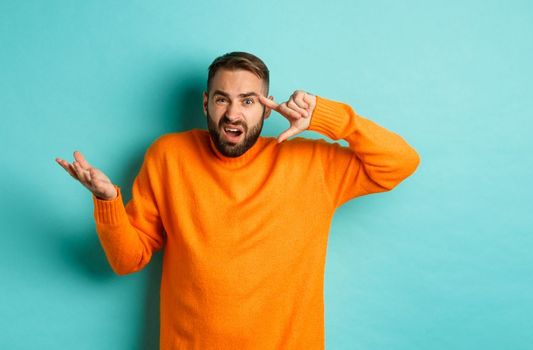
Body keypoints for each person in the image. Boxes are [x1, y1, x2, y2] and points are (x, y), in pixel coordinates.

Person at [55, 51, 420, 349]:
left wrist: (328, 117)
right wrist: (107, 201)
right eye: (222, 99)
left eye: (248, 101)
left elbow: (401, 162)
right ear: (206, 103)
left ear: (266, 108)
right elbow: (127, 259)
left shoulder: (311, 164)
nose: (233, 113)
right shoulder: (169, 156)